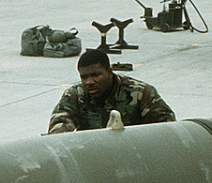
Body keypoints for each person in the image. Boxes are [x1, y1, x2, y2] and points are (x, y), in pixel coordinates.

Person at [48, 49, 176, 133]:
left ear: (109, 73)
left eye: (96, 75)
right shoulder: (75, 95)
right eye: (84, 77)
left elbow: (167, 128)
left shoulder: (140, 92)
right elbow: (59, 128)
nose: (89, 82)